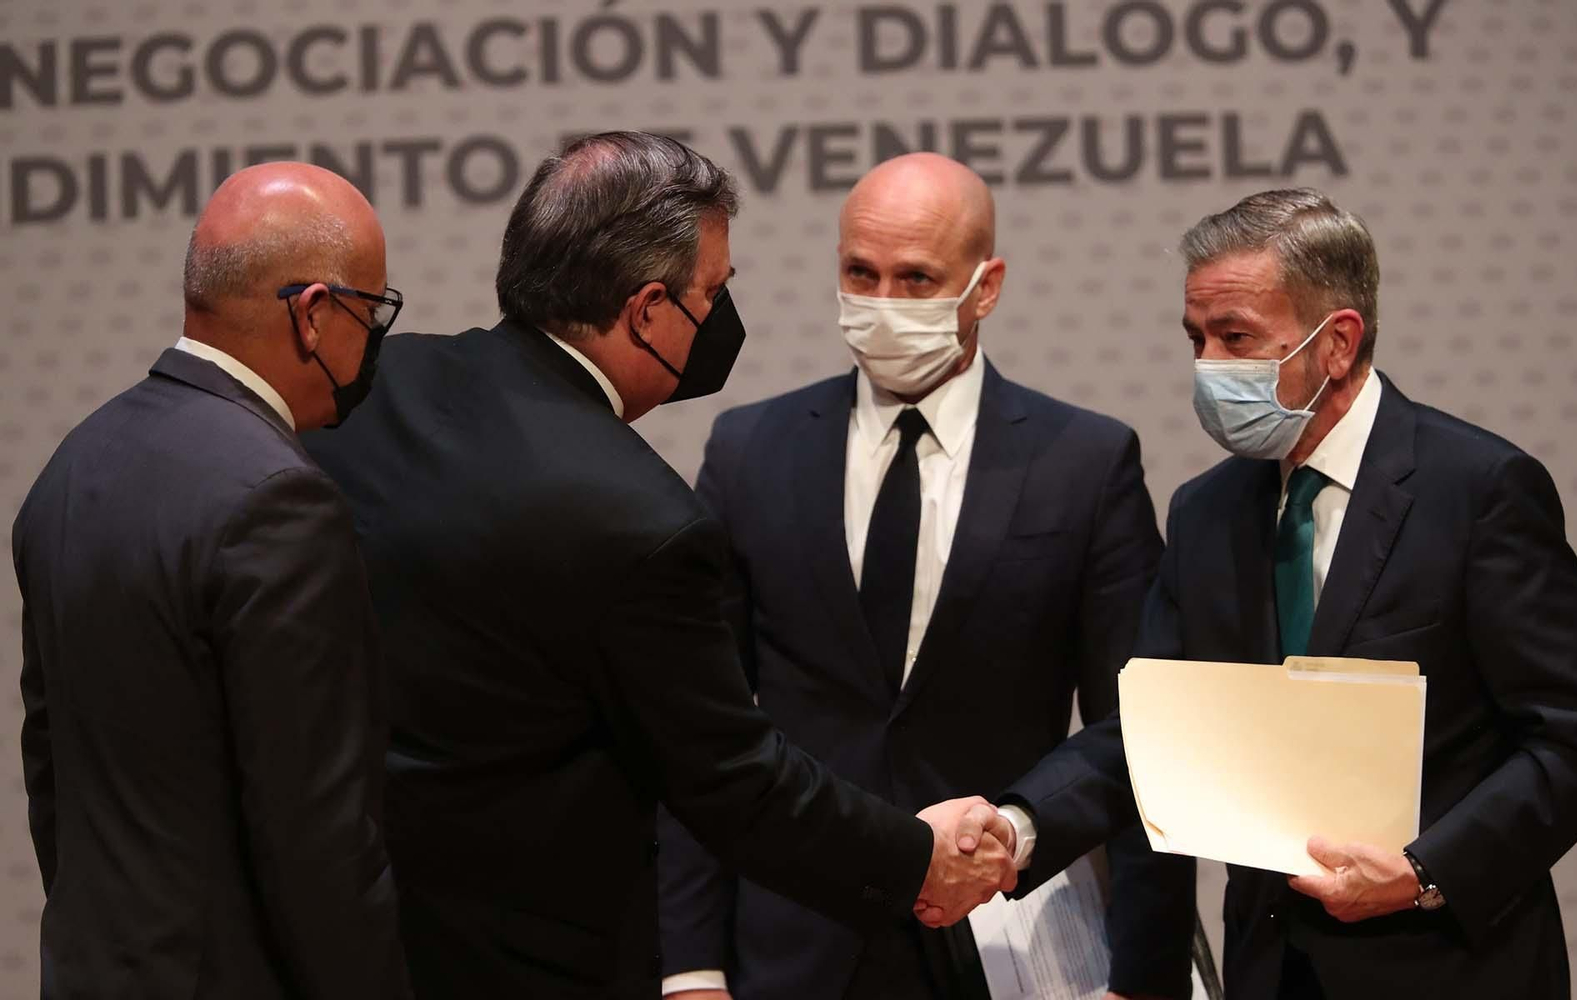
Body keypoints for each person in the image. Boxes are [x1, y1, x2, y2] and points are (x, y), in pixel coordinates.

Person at [301, 131, 1017, 1000]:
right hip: (536, 959)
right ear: (647, 311)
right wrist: (917, 860)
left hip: (344, 931)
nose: (723, 317)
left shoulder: (372, 388)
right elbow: (733, 779)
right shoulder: (642, 521)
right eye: (712, 293)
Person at [1002, 188, 1577, 999]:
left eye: (1236, 337)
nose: (1209, 365)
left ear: (1338, 343)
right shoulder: (1206, 512)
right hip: (1269, 970)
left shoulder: (1481, 490)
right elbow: (1148, 736)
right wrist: (1017, 824)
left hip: (1450, 966)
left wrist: (1425, 871)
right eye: (1197, 338)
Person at [656, 152, 1194, 1000]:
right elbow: (691, 721)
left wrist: (1146, 974)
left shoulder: (1083, 463)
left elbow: (1146, 730)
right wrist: (688, 966)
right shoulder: (751, 451)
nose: (885, 303)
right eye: (860, 274)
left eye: (917, 279)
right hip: (793, 945)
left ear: (985, 287)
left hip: (1008, 942)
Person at [12, 162, 410, 999]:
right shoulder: (279, 499)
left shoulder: (76, 462)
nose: (373, 337)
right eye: (371, 311)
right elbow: (317, 833)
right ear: (313, 315)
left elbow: (51, 768)